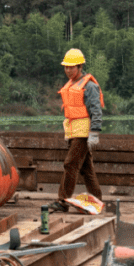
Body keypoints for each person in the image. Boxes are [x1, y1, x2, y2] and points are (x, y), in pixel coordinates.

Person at [52, 47, 104, 211]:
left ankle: (62, 201)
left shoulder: (89, 86)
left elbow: (96, 111)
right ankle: (97, 200)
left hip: (83, 133)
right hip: (73, 132)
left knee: (70, 164)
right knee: (86, 168)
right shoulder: (70, 85)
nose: (68, 70)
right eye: (66, 67)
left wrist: (94, 133)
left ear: (80, 67)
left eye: (71, 67)